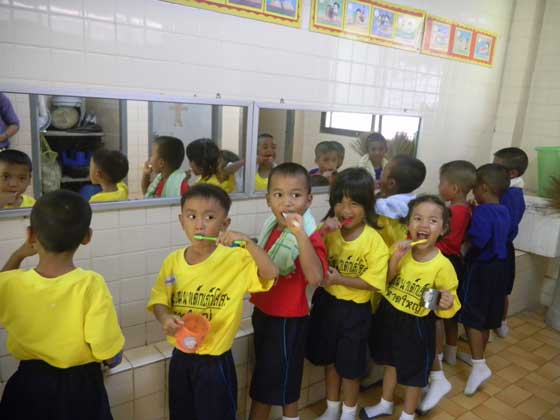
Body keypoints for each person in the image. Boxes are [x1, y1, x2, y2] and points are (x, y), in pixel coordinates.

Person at [147, 184, 278, 420]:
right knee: (182, 413)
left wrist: (247, 243)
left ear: (224, 224)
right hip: (181, 357)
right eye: (191, 216)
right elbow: (159, 301)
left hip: (214, 361)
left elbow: (270, 273)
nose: (199, 224)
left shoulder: (236, 258)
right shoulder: (173, 262)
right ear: (181, 220)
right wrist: (164, 317)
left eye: (209, 217)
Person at [0, 190, 124, 420]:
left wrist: (18, 255)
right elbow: (105, 349)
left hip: (28, 385)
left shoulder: (11, 284)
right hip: (80, 389)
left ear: (31, 235)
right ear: (86, 237)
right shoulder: (90, 284)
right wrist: (114, 357)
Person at [361, 195, 460, 420]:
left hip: (417, 324)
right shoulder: (399, 249)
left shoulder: (442, 265)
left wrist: (447, 301)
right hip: (390, 315)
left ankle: (408, 414)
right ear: (408, 224)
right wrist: (395, 259)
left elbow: (448, 302)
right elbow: (384, 280)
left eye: (432, 221)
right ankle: (385, 403)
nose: (423, 224)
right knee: (391, 363)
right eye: (417, 218)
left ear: (443, 229)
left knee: (415, 373)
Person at [306, 168, 388, 420]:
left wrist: (339, 278)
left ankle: (348, 413)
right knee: (330, 361)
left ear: (367, 205)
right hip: (327, 305)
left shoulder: (374, 241)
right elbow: (305, 254)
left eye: (354, 203)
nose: (345, 210)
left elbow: (374, 283)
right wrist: (319, 232)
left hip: (355, 312)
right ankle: (332, 409)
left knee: (351, 369)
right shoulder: (328, 232)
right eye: (340, 201)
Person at [249, 163, 327, 420]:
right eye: (279, 194)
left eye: (296, 195)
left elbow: (316, 277)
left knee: (269, 382)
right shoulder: (272, 228)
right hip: (264, 311)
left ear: (309, 200)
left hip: (288, 319)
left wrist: (300, 234)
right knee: (277, 377)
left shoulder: (309, 236)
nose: (287, 202)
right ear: (267, 199)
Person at [418, 160, 476, 414]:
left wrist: (420, 247)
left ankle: (437, 370)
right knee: (433, 318)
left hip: (440, 265)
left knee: (432, 317)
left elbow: (448, 242)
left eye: (441, 182)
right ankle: (437, 365)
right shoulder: (462, 208)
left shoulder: (457, 213)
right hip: (445, 261)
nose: (439, 186)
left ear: (453, 187)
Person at [457, 164, 511, 396]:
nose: (472, 195)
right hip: (500, 268)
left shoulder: (481, 212)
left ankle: (479, 364)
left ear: (484, 188)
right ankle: (479, 356)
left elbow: (479, 239)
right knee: (488, 317)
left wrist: (465, 244)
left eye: (475, 190)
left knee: (471, 317)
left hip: (482, 269)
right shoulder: (504, 210)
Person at [493, 147, 528, 337]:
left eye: (496, 166)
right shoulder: (507, 190)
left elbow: (506, 226)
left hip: (502, 248)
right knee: (500, 288)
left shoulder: (512, 195)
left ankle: (501, 322)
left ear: (512, 173)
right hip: (500, 246)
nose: (493, 170)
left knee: (501, 289)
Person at [375, 155, 426, 247]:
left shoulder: (389, 204)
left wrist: (371, 192)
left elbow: (370, 205)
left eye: (383, 173)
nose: (380, 176)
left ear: (391, 183)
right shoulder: (413, 200)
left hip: (389, 249)